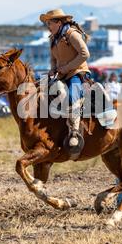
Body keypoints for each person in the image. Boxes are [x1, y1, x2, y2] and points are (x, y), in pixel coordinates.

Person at [40, 8, 91, 148]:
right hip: (62, 74)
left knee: (70, 98)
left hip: (77, 73)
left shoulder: (72, 34)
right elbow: (53, 58)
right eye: (47, 24)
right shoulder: (53, 38)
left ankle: (74, 132)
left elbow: (85, 54)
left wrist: (66, 68)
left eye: (49, 23)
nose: (48, 27)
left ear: (59, 23)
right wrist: (52, 69)